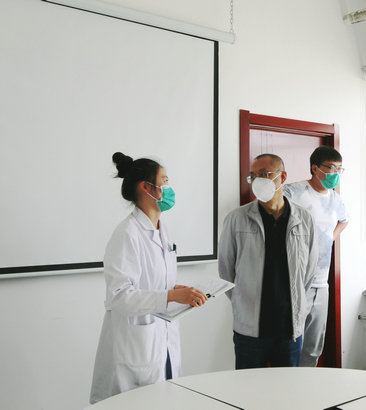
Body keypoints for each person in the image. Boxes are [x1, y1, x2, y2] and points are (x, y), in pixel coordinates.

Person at [90, 152, 207, 403]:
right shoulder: (127, 234)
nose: (169, 188)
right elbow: (119, 297)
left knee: (166, 399)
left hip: (162, 341)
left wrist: (177, 290)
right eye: (164, 181)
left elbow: (155, 283)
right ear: (146, 187)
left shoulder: (162, 230)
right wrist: (172, 295)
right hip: (136, 348)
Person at [218, 153, 318, 369]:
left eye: (264, 174)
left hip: (289, 329)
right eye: (253, 176)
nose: (257, 181)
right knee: (248, 387)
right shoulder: (237, 219)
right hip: (250, 331)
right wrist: (243, 302)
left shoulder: (304, 219)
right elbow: (226, 271)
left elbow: (309, 273)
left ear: (283, 177)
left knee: (288, 388)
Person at [283, 146, 349, 367]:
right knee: (290, 343)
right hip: (295, 281)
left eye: (339, 169)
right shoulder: (293, 192)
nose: (335, 174)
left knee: (313, 346)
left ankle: (307, 383)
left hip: (321, 282)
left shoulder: (335, 199)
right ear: (315, 168)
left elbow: (345, 220)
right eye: (331, 168)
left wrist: (330, 237)